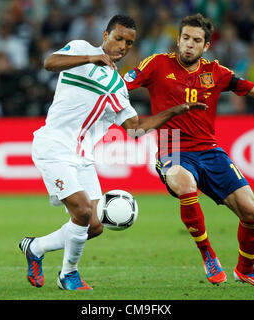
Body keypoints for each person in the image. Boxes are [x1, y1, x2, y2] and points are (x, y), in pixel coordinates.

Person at [18, 15, 206, 291]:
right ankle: (68, 275)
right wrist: (89, 59)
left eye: (129, 43)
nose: (123, 46)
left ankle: (36, 248)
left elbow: (135, 128)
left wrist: (174, 111)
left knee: (93, 226)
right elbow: (49, 63)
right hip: (54, 147)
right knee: (82, 213)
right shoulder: (81, 49)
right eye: (118, 38)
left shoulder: (118, 86)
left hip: (83, 158)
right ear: (105, 34)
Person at [124, 13, 254, 288]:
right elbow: (119, 86)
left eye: (196, 40)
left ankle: (246, 269)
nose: (189, 44)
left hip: (210, 151)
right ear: (178, 40)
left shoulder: (216, 73)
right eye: (185, 38)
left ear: (206, 46)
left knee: (252, 213)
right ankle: (208, 255)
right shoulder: (157, 64)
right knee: (186, 185)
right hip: (173, 148)